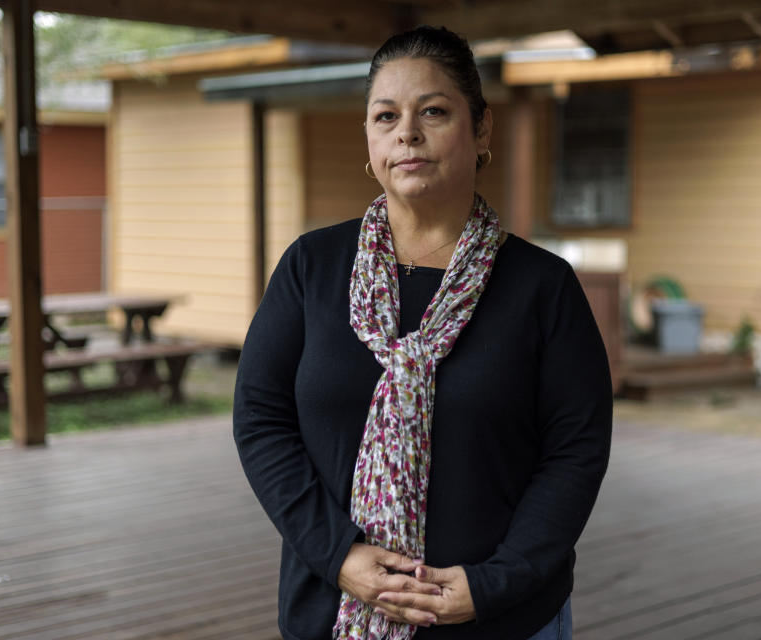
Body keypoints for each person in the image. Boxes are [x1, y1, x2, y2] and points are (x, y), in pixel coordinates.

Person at [233, 25, 613, 640]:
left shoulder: (542, 287)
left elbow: (576, 450)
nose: (406, 132)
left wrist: (498, 581)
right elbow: (259, 417)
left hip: (503, 620)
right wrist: (338, 556)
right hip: (334, 610)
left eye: (432, 111)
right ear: (369, 138)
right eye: (386, 116)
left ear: (481, 128)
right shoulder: (312, 268)